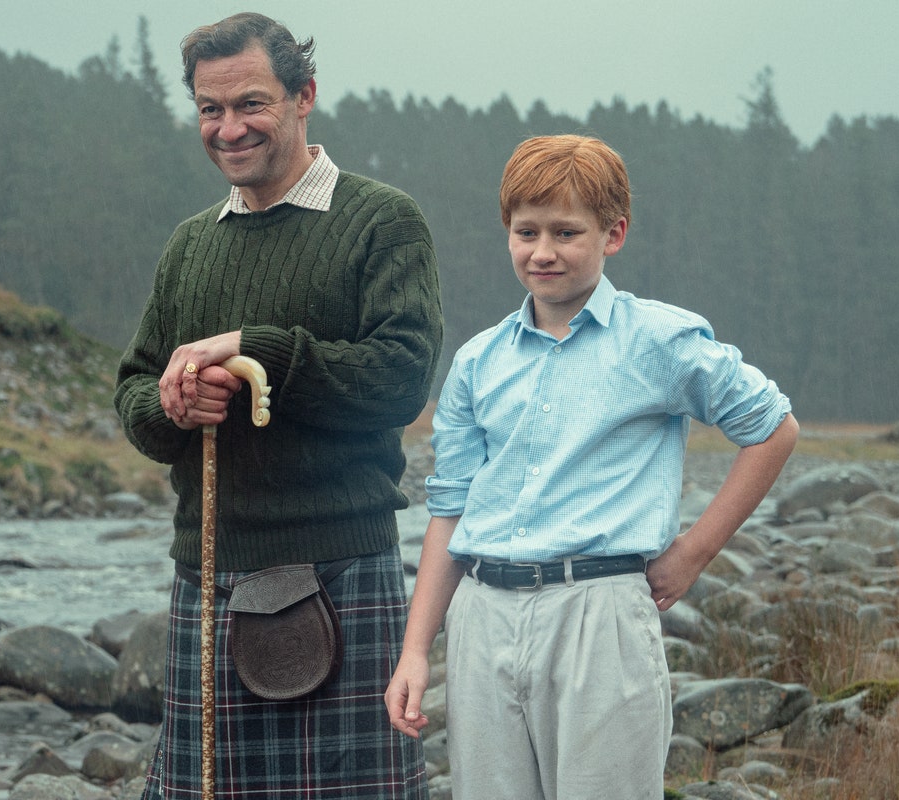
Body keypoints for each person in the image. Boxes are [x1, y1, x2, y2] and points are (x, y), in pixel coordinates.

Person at [384, 134, 799, 799]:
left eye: (566, 232)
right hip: (483, 614)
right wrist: (414, 650)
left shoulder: (659, 340)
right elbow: (450, 509)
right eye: (526, 231)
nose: (542, 251)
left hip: (599, 613)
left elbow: (774, 428)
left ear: (614, 233)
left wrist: (693, 552)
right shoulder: (477, 362)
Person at [114, 12, 441, 799]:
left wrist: (258, 349)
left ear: (304, 96)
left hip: (341, 572)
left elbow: (401, 379)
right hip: (208, 573)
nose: (229, 128)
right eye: (210, 109)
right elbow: (133, 391)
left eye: (251, 104)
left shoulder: (382, 223)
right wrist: (175, 406)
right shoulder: (190, 244)